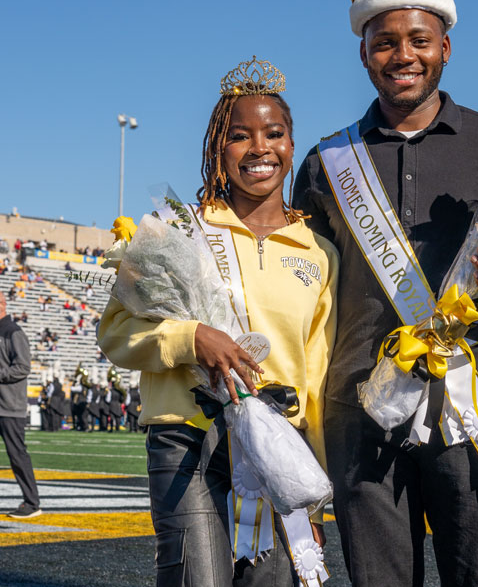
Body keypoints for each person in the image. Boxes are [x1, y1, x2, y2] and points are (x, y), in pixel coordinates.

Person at [293, 0, 478, 586]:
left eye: (418, 39)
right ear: (362, 51)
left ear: (445, 46)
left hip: (470, 413)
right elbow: (303, 290)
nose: (402, 55)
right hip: (361, 416)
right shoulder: (328, 164)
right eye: (384, 41)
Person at [98, 57, 338, 586]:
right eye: (239, 136)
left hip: (278, 444)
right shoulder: (172, 231)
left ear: (291, 146)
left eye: (274, 133)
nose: (259, 149)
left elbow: (316, 379)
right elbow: (114, 333)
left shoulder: (319, 251)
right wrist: (190, 338)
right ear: (216, 148)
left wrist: (311, 501)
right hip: (189, 435)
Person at [0, 292, 41, 518]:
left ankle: (32, 503)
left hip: (10, 407)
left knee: (17, 456)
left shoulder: (13, 332)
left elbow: (23, 367)